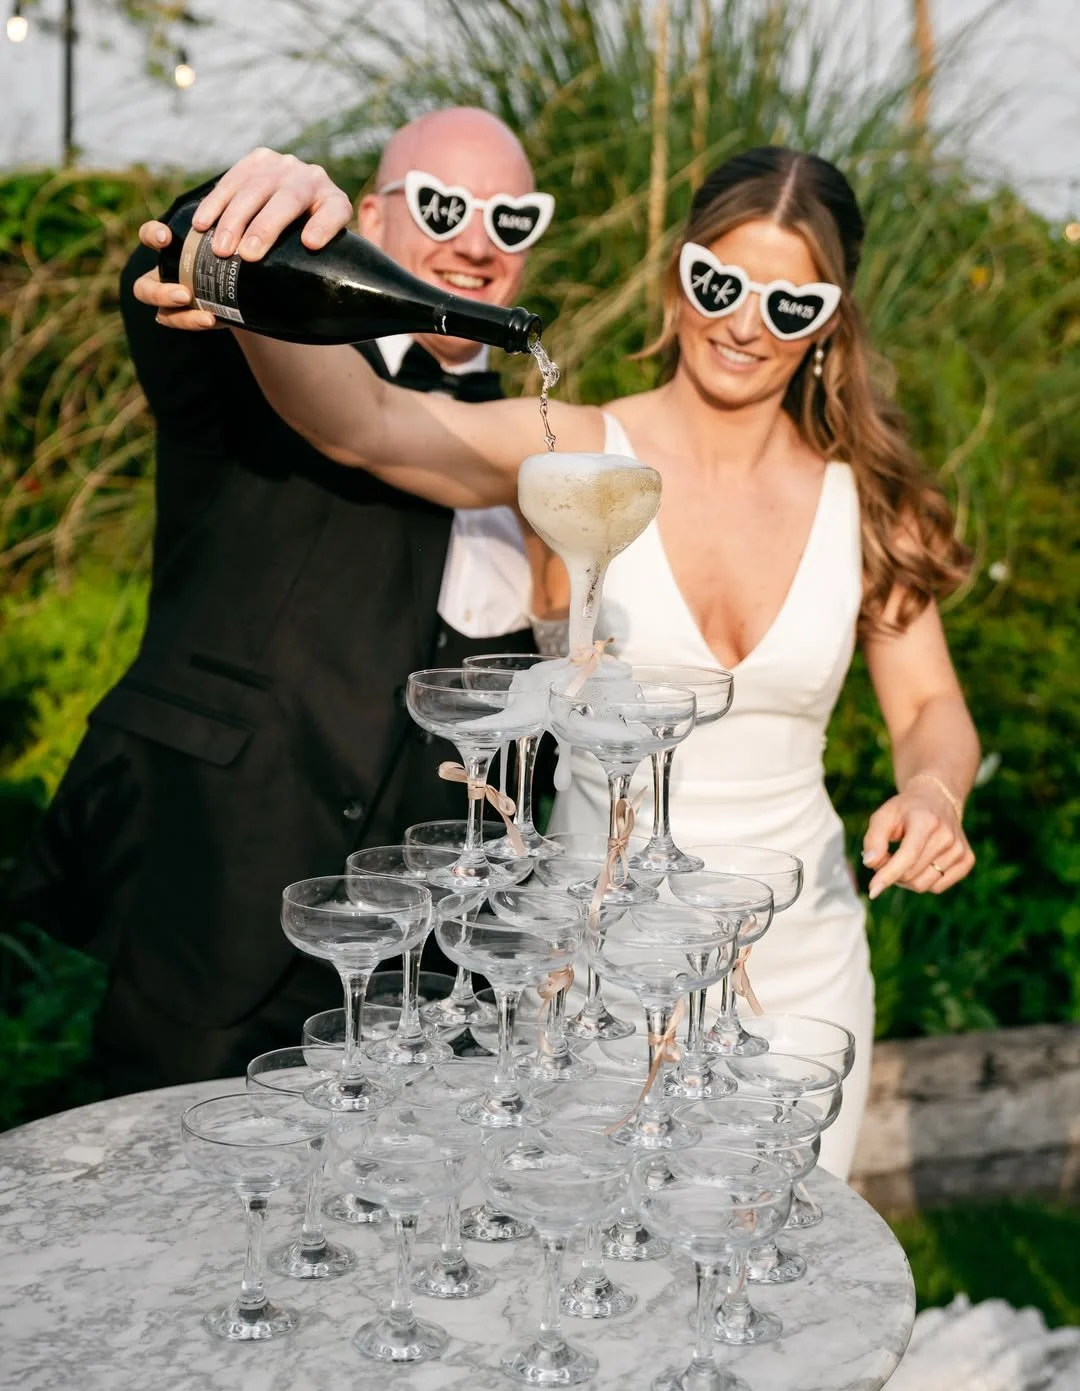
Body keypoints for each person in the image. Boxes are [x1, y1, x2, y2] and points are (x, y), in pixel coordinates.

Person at [141, 144, 980, 1178]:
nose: (746, 324)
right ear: (676, 280)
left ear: (831, 321)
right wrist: (248, 268)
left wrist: (934, 792)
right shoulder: (576, 452)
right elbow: (367, 424)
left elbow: (929, 705)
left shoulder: (869, 497)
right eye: (719, 284)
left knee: (776, 1253)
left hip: (801, 961)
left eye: (791, 303)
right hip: (592, 965)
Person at [12, 108, 559, 1096]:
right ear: (371, 219)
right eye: (443, 208)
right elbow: (181, 267)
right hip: (222, 901)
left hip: (436, 966)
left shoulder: (543, 440)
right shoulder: (267, 354)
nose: (477, 245)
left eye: (510, 221)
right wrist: (245, 206)